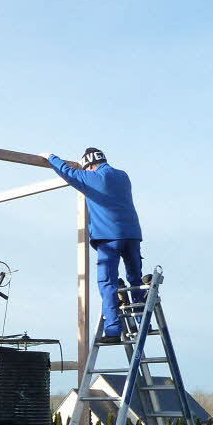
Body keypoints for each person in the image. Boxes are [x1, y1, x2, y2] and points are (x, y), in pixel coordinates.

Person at [45, 147, 144, 344]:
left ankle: (113, 331)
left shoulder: (94, 178)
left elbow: (67, 172)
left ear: (89, 165)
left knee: (108, 283)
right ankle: (142, 321)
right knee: (135, 279)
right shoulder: (123, 176)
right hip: (132, 234)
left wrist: (50, 157)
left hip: (109, 238)